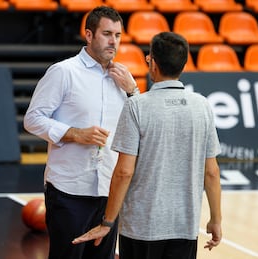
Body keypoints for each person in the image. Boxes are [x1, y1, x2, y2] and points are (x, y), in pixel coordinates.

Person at [72, 32, 222, 259]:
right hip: (185, 227)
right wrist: (216, 219)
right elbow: (211, 172)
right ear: (184, 64)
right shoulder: (203, 106)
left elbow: (123, 172)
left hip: (141, 228)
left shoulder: (136, 106)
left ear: (153, 64)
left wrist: (107, 222)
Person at [23, 6, 139, 259]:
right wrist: (74, 133)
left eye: (118, 36)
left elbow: (139, 125)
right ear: (88, 35)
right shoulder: (63, 72)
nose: (113, 41)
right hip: (69, 190)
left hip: (109, 192)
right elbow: (32, 120)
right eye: (107, 34)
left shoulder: (124, 79)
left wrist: (133, 92)